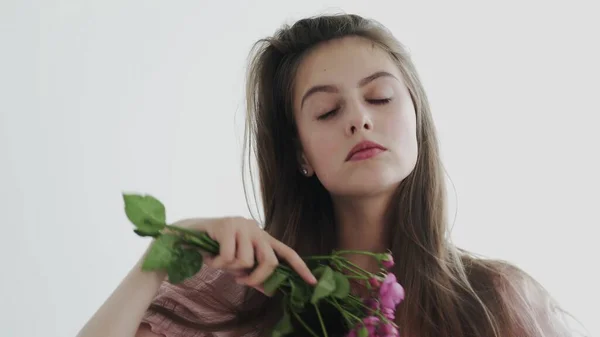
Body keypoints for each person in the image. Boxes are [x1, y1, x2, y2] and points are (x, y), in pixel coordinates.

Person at [77, 13, 578, 337]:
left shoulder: (493, 302)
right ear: (301, 154)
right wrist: (159, 255)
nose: (359, 118)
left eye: (379, 97)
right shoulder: (239, 300)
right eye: (326, 111)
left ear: (419, 120)